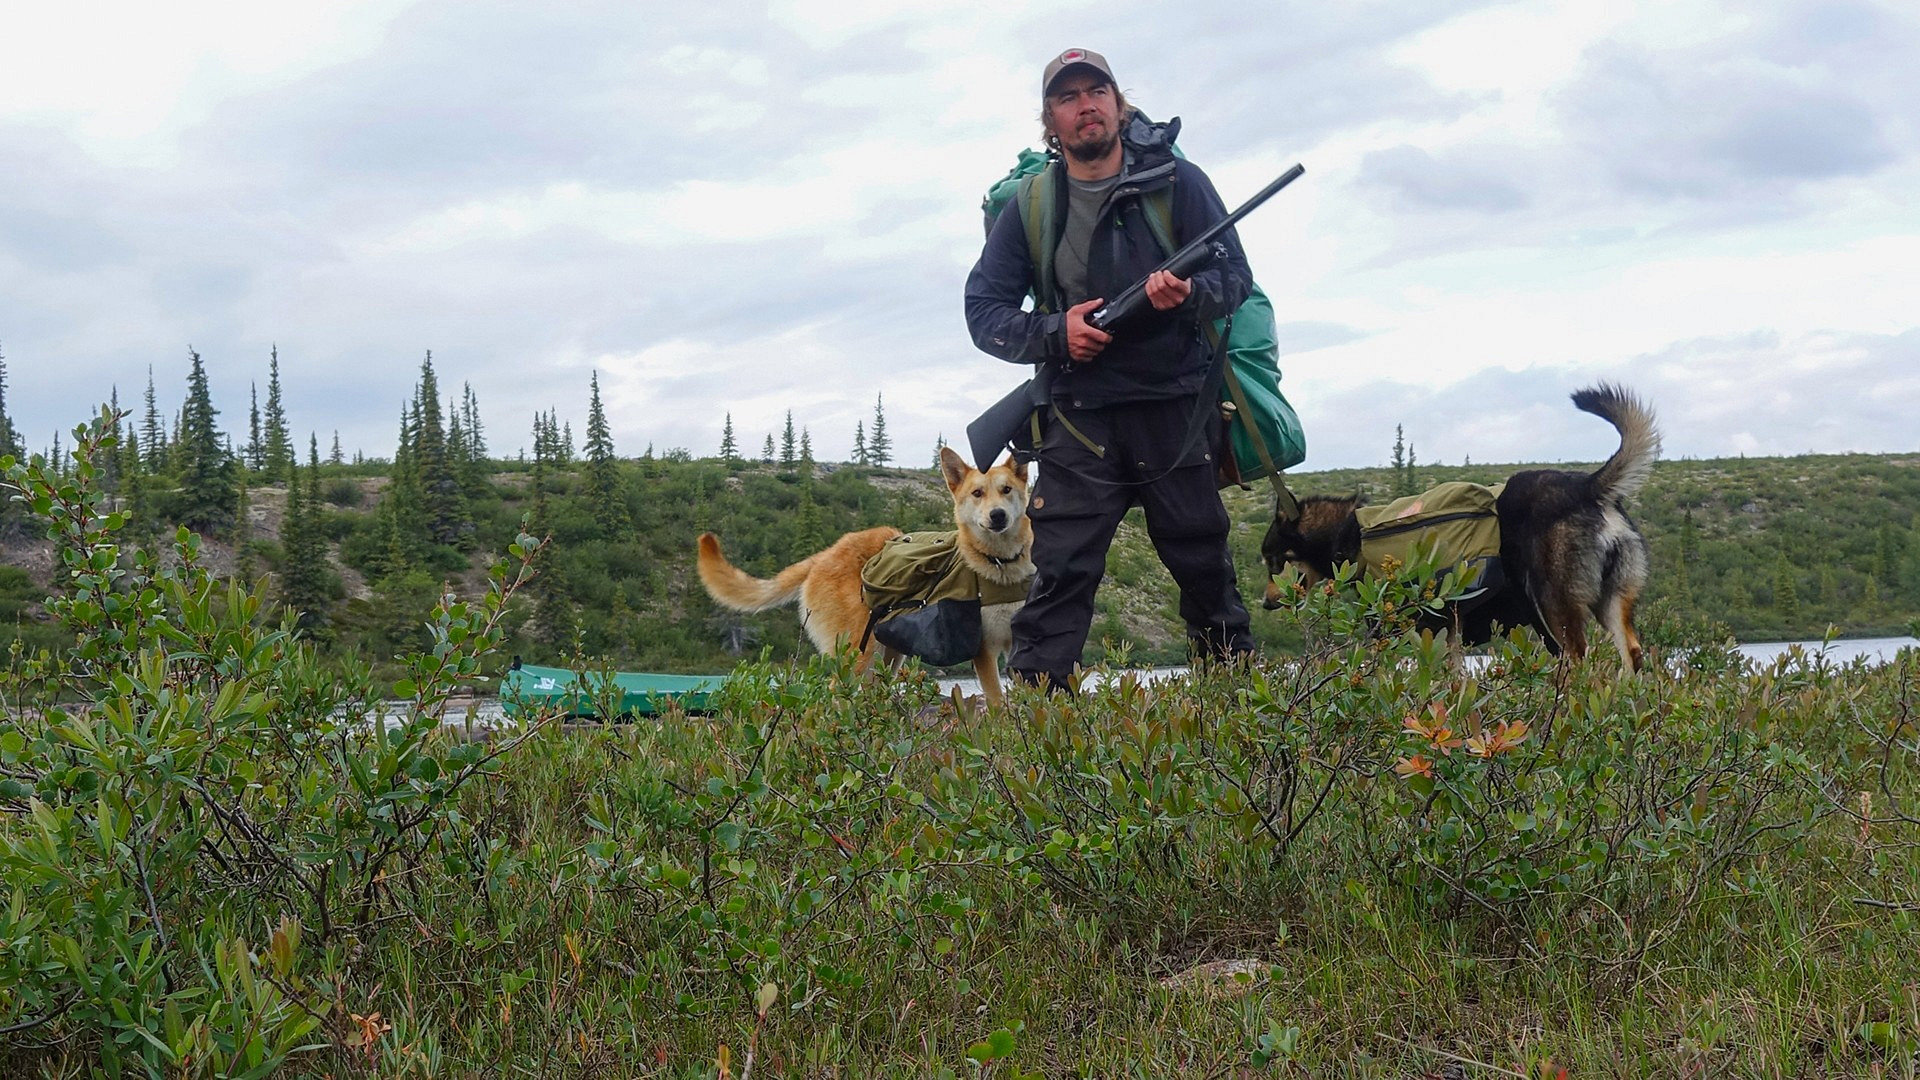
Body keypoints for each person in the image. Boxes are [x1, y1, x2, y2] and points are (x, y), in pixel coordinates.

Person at [963, 47, 1257, 692]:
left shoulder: (1182, 184)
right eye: (1068, 97)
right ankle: (1041, 732)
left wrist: (1188, 298)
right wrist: (1056, 334)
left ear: (1119, 105)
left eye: (1097, 91)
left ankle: (1238, 719)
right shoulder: (1033, 206)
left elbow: (1234, 278)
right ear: (1050, 121)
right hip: (1080, 418)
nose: (1085, 105)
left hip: (1175, 411)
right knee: (1062, 576)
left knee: (1206, 570)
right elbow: (983, 311)